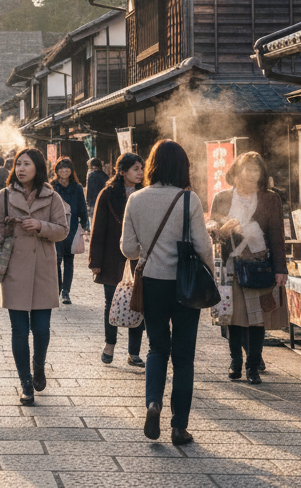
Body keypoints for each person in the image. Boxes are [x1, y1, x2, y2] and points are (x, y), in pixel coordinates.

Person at [120, 140, 213, 445]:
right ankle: (179, 427)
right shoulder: (189, 199)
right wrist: (211, 275)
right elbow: (203, 245)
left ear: (152, 165)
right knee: (183, 357)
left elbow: (128, 249)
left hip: (152, 283)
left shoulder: (135, 199)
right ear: (182, 167)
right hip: (186, 285)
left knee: (157, 349)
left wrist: (149, 250)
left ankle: (153, 404)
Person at [0, 147, 69, 404]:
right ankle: (25, 383)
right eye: (19, 164)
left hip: (44, 269)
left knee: (42, 330)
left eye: (27, 164)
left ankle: (39, 366)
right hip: (14, 268)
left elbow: (63, 230)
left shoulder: (52, 197)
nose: (21, 169)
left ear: (38, 168)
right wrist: (4, 231)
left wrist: (40, 225)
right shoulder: (4, 195)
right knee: (19, 330)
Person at [207, 152, 288, 384]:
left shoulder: (270, 198)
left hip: (258, 265)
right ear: (237, 171)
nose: (253, 173)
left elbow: (276, 234)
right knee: (232, 317)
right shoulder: (222, 197)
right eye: (248, 168)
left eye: (257, 169)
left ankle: (253, 366)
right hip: (230, 264)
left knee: (256, 318)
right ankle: (235, 362)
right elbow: (212, 224)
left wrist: (281, 269)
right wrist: (216, 229)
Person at [89, 152, 146, 368]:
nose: (140, 173)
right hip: (112, 257)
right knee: (111, 302)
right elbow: (98, 229)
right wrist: (95, 261)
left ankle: (134, 352)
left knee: (138, 303)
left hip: (139, 258)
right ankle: (109, 345)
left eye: (141, 168)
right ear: (122, 171)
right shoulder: (107, 194)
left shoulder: (145, 194)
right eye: (135, 169)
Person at [51, 157, 88, 305]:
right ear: (57, 170)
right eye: (61, 168)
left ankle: (66, 292)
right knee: (56, 259)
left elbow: (82, 207)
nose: (64, 170)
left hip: (71, 227)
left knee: (69, 260)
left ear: (71, 170)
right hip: (55, 227)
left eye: (67, 168)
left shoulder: (77, 187)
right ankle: (57, 289)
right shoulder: (52, 186)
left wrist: (85, 224)